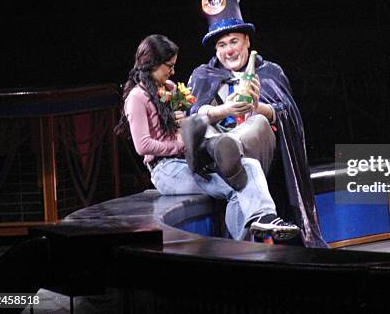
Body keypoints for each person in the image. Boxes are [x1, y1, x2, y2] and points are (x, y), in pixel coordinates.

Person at [114, 34, 300, 241]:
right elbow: (143, 146)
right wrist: (180, 143)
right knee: (235, 186)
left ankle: (265, 216)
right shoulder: (137, 98)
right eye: (169, 66)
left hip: (188, 160)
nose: (173, 72)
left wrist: (183, 122)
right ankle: (240, 250)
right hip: (167, 169)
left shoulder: (170, 89)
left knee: (248, 166)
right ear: (153, 64)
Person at [183, 0, 327, 248]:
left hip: (261, 150)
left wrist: (258, 106)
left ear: (247, 41)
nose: (229, 50)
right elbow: (190, 119)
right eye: (222, 45)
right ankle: (242, 252)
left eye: (234, 41)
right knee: (209, 133)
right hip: (217, 160)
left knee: (257, 125)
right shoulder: (202, 76)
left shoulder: (270, 72)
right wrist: (222, 110)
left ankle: (231, 149)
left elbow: (289, 115)